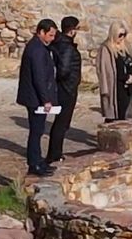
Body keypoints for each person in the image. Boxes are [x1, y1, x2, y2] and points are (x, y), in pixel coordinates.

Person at [14, 19, 60, 177]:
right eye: (50, 35)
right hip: (35, 99)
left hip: (34, 97)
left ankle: (38, 161)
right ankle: (34, 164)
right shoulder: (37, 50)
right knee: (36, 131)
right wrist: (46, 99)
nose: (52, 39)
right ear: (41, 32)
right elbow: (39, 77)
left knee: (38, 130)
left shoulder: (38, 47)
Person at [47, 16, 83, 164]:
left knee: (60, 123)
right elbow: (64, 70)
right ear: (72, 30)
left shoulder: (61, 43)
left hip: (65, 88)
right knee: (62, 123)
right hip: (67, 89)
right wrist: (70, 82)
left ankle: (55, 152)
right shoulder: (67, 47)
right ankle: (55, 154)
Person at [96, 23, 132, 122]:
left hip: (127, 87)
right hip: (115, 87)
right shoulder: (106, 48)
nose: (122, 38)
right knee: (113, 115)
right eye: (120, 35)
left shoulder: (125, 48)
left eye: (124, 34)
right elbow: (104, 70)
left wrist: (131, 77)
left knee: (124, 114)